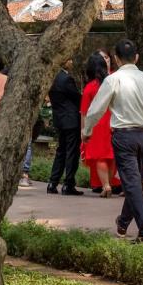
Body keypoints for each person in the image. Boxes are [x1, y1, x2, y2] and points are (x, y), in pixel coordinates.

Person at [83, 39, 143, 246]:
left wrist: (87, 131)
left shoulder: (113, 79)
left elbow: (96, 109)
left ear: (116, 59)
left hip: (124, 136)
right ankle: (123, 223)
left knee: (132, 183)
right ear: (137, 57)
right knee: (134, 183)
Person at [80, 52, 119, 198]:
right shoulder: (112, 83)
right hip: (113, 123)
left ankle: (106, 185)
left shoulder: (89, 87)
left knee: (100, 157)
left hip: (96, 125)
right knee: (111, 156)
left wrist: (83, 130)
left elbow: (84, 112)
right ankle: (110, 182)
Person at [47, 58, 84, 196]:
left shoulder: (52, 78)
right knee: (72, 152)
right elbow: (77, 98)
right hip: (71, 119)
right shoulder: (67, 79)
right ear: (64, 61)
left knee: (61, 151)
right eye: (69, 59)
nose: (72, 62)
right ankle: (68, 184)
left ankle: (52, 182)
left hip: (59, 119)